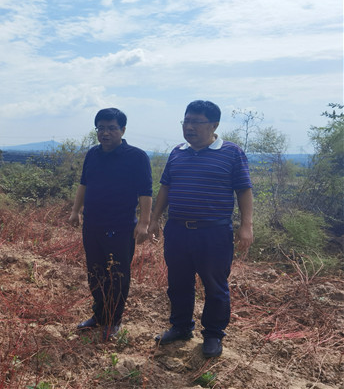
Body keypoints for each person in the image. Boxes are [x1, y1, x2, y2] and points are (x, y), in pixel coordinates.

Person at [149, 100, 254, 358]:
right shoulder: (177, 152)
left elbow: (243, 190)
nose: (189, 127)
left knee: (215, 285)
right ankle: (181, 327)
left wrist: (246, 226)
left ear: (214, 125)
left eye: (196, 122)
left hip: (213, 233)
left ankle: (213, 335)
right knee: (178, 282)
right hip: (177, 230)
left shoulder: (231, 152)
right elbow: (166, 187)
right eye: (186, 121)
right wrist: (154, 219)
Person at [69, 107, 153, 340]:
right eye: (101, 128)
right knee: (95, 273)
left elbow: (146, 192)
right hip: (92, 224)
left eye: (111, 128)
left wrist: (144, 223)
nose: (105, 133)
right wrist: (76, 211)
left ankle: (114, 320)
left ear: (122, 130)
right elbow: (83, 184)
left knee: (117, 274)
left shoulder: (136, 157)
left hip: (121, 226)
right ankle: (99, 315)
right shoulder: (92, 155)